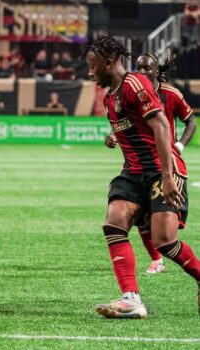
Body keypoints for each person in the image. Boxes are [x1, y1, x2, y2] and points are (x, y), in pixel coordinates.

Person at [85, 36, 200, 319]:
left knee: (164, 242)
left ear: (109, 62)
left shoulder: (135, 84)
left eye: (92, 66)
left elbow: (161, 126)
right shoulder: (109, 97)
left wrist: (168, 175)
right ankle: (131, 299)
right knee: (114, 221)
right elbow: (133, 130)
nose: (90, 72)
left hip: (162, 169)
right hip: (133, 172)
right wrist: (114, 136)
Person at [105, 52, 197, 275]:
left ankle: (166, 258)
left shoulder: (170, 94)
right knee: (131, 222)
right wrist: (114, 134)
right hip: (138, 166)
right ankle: (151, 267)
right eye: (139, 68)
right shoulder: (129, 90)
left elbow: (190, 121)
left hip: (165, 164)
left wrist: (180, 145)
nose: (143, 72)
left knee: (164, 238)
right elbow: (128, 124)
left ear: (157, 71)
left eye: (148, 68)